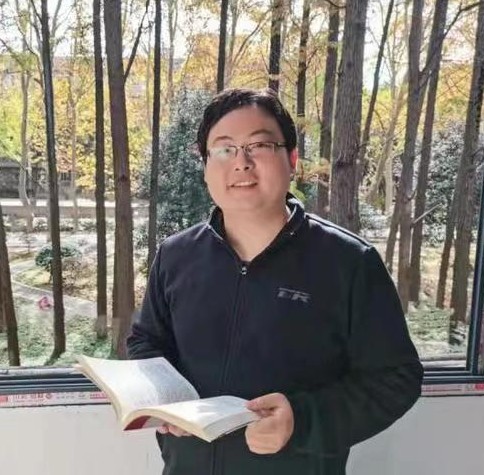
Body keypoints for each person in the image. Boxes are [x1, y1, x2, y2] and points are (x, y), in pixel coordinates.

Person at [127, 88, 423, 475]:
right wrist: (163, 401)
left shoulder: (349, 262)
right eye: (224, 149)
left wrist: (302, 420)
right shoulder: (176, 255)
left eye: (260, 146)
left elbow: (396, 378)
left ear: (292, 159)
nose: (241, 162)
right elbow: (146, 341)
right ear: (205, 165)